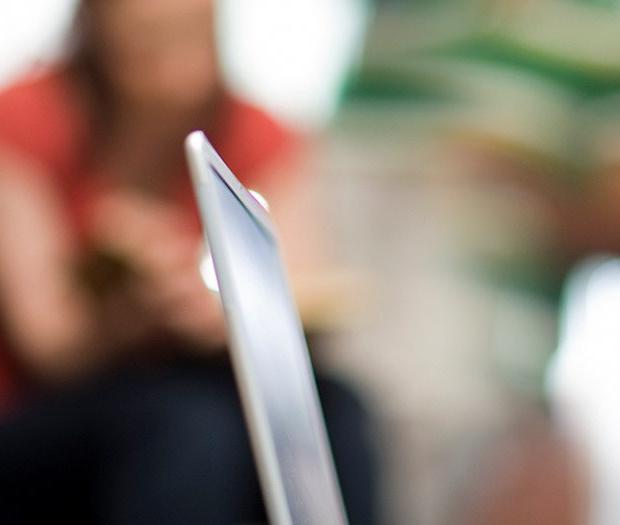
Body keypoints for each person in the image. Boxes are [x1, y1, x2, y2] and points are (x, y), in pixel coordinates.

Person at [0, 0, 375, 522]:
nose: (175, 63)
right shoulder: (24, 117)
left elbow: (300, 291)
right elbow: (53, 348)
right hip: (51, 409)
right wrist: (136, 309)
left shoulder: (260, 132)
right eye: (149, 39)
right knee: (189, 426)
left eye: (190, 33)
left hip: (192, 379)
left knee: (337, 407)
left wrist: (225, 316)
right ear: (100, 32)